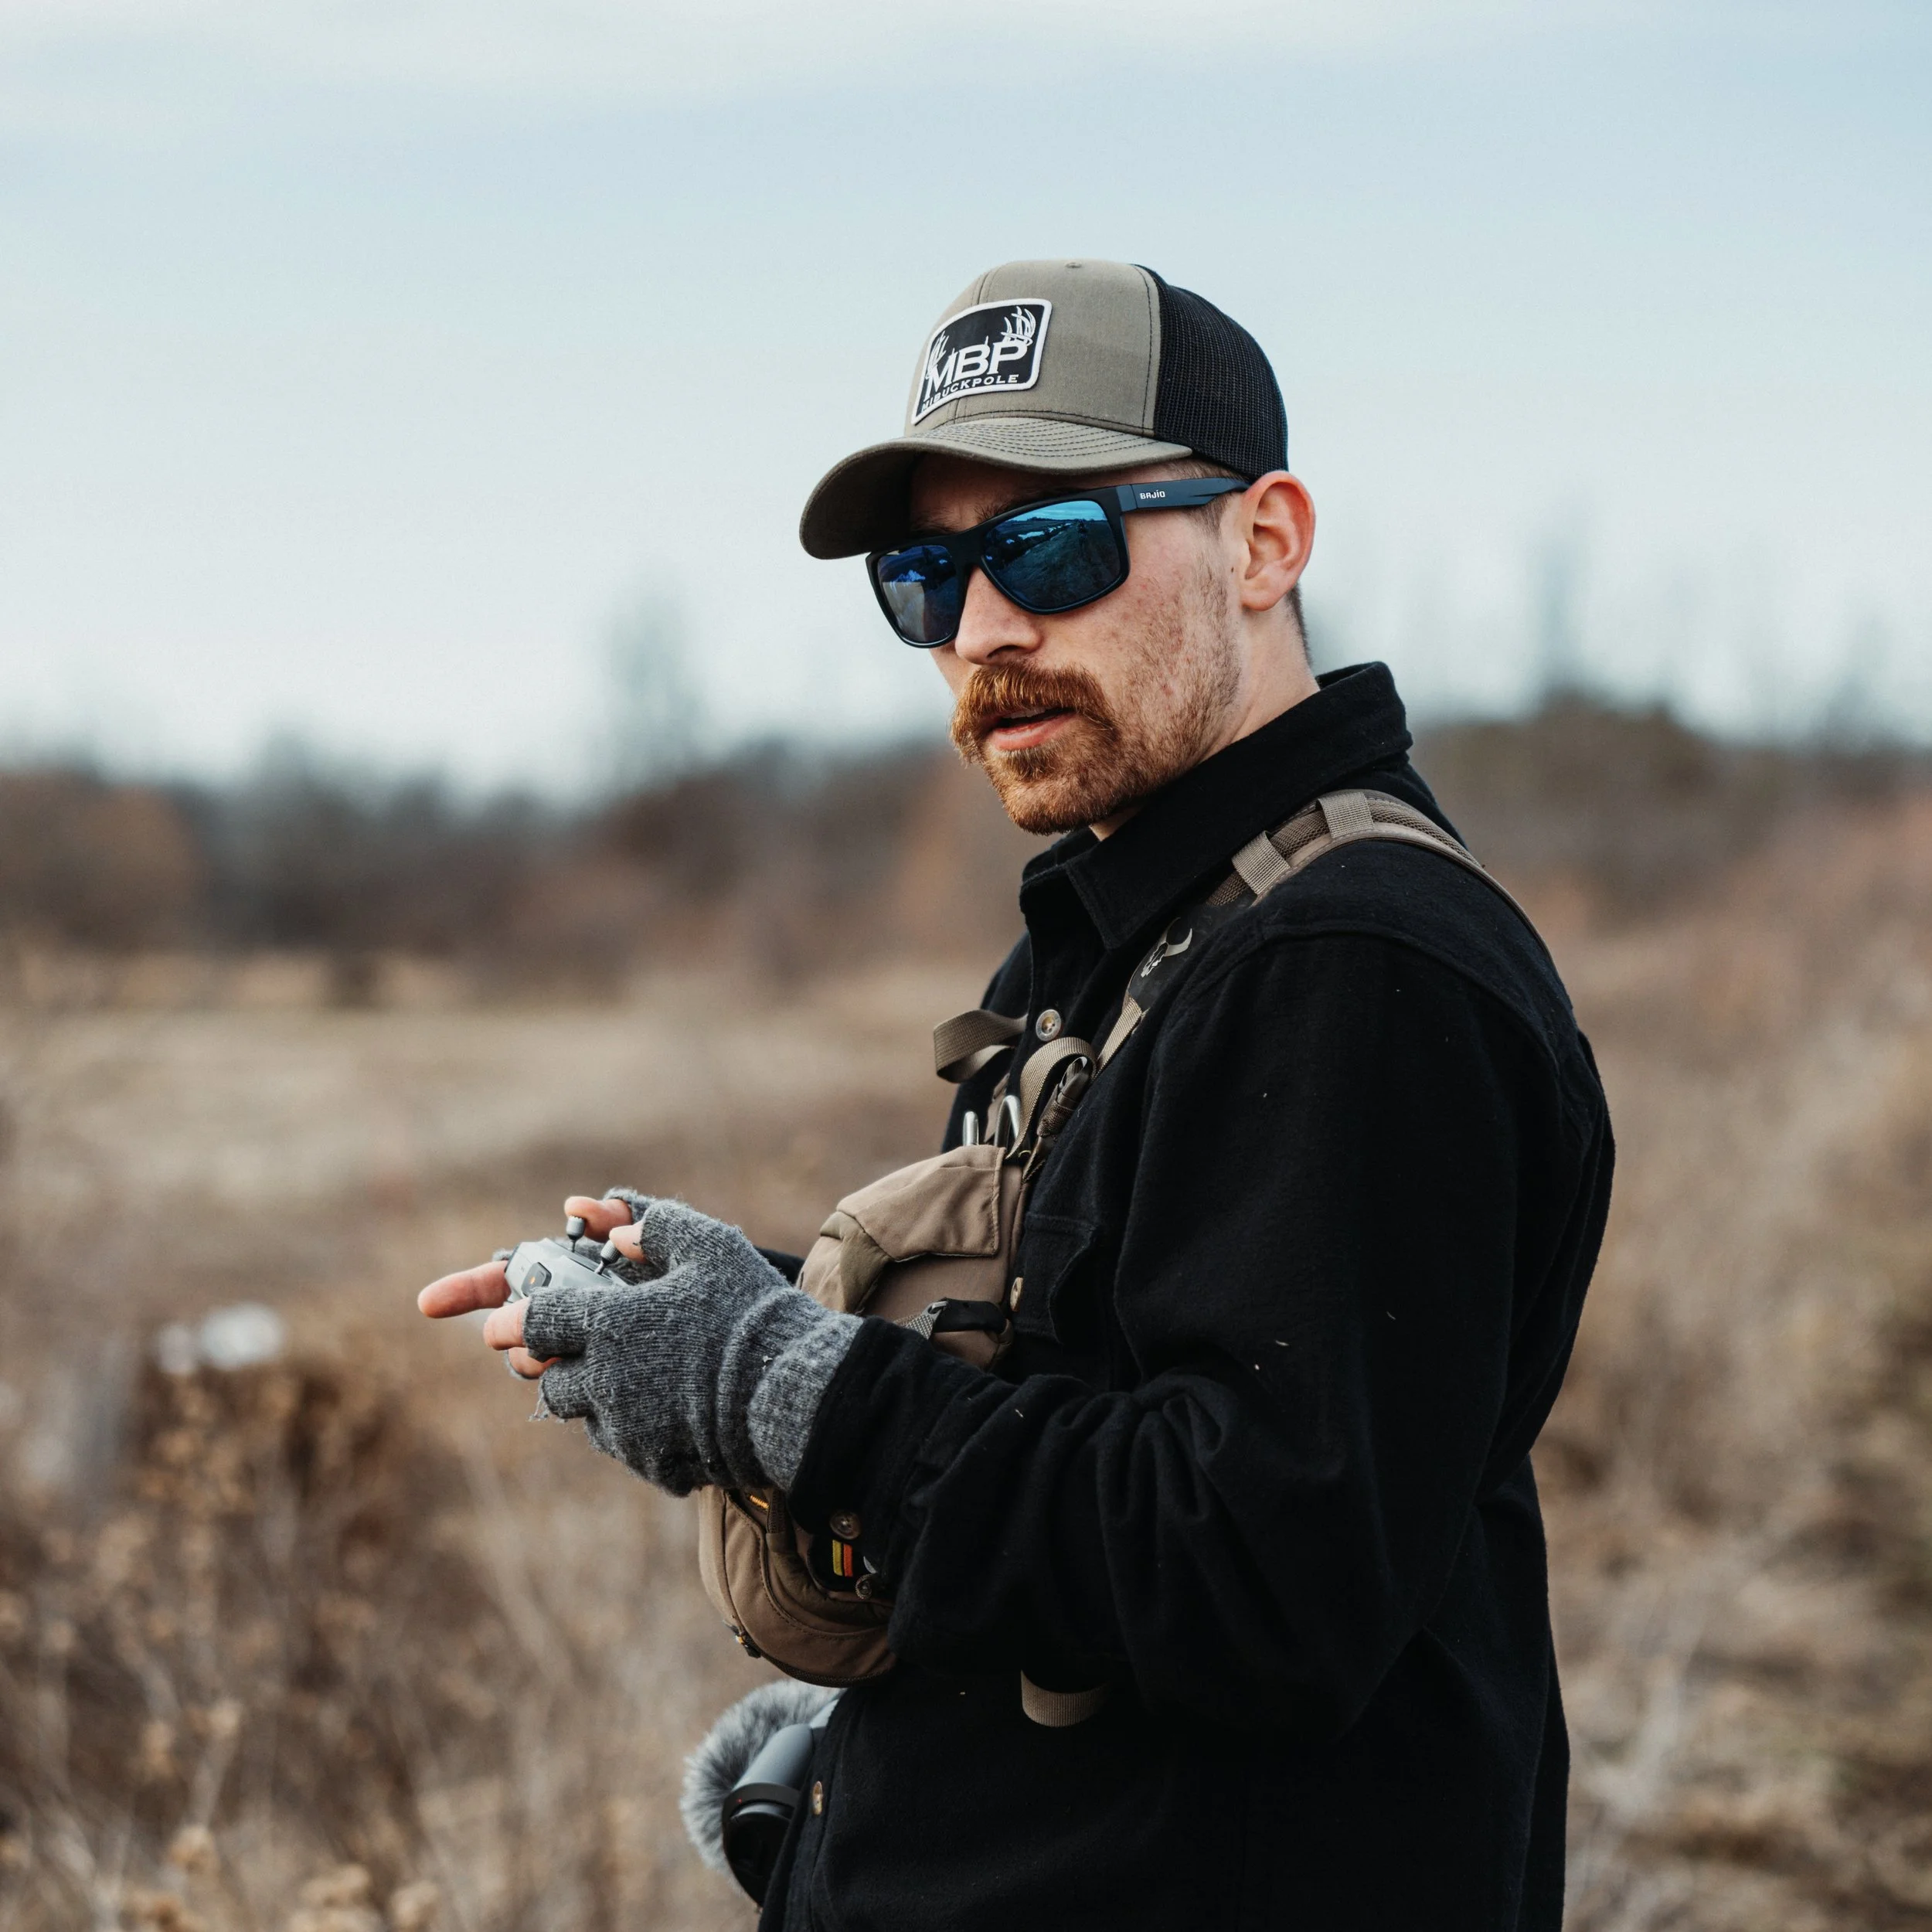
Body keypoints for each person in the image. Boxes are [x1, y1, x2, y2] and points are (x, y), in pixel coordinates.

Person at [420, 259, 1613, 1930]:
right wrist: (710, 1320)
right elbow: (1091, 1376)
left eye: (1051, 545)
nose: (984, 628)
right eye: (926, 576)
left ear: (1264, 541)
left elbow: (1257, 1578)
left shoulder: (1357, 968)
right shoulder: (1132, 927)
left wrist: (785, 1386)